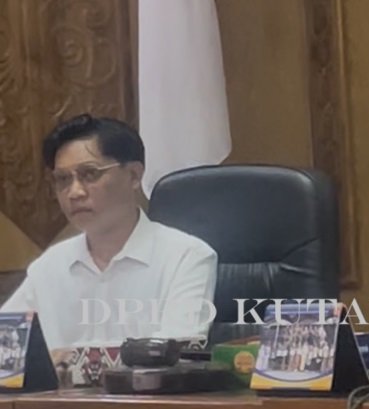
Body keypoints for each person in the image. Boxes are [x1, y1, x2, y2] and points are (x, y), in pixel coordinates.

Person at [1, 114, 218, 353]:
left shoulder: (186, 256)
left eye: (90, 174)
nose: (74, 192)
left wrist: (68, 360)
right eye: (63, 179)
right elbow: (4, 348)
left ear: (133, 175)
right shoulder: (48, 267)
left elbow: (174, 352)